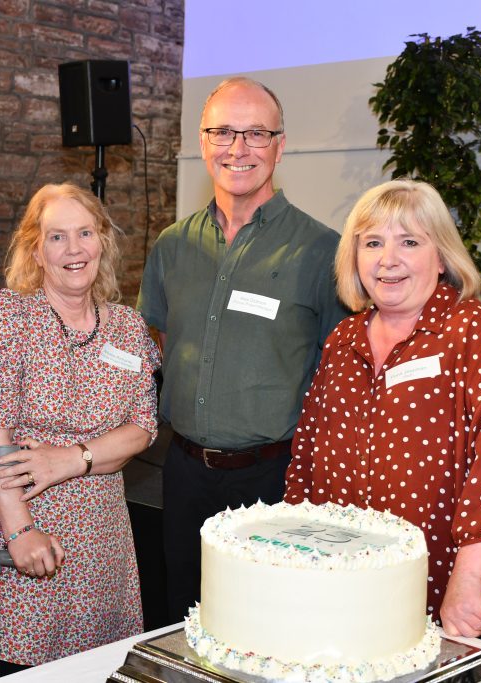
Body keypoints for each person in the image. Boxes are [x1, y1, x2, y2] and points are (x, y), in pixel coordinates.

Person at [284, 179, 481, 643]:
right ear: (354, 257)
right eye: (373, 243)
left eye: (409, 242)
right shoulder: (343, 340)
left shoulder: (469, 330)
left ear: (440, 256)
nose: (388, 259)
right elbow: (307, 455)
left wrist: (466, 578)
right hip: (354, 581)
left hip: (448, 583)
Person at [137, 76, 349, 621]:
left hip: (273, 478)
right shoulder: (172, 246)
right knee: (182, 620)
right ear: (203, 142)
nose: (238, 149)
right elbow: (155, 345)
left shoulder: (322, 252)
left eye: (256, 134)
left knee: (265, 625)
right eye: (224, 132)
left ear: (280, 146)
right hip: (182, 473)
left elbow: (341, 374)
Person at [0, 182, 160, 671]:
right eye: (57, 237)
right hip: (33, 531)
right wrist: (19, 533)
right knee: (28, 670)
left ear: (103, 242)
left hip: (105, 541)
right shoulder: (12, 315)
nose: (74, 249)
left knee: (102, 671)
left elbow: (141, 429)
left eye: (85, 233)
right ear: (36, 249)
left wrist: (66, 460)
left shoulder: (127, 327)